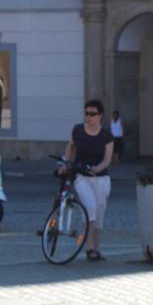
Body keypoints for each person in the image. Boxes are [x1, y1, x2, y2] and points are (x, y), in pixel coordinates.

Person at [60, 99, 114, 261]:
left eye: (92, 114)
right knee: (90, 207)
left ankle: (96, 248)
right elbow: (70, 148)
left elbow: (107, 159)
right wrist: (65, 163)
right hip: (81, 176)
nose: (89, 117)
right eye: (86, 113)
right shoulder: (77, 131)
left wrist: (97, 169)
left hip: (100, 178)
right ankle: (89, 247)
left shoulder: (106, 136)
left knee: (99, 213)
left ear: (100, 116)